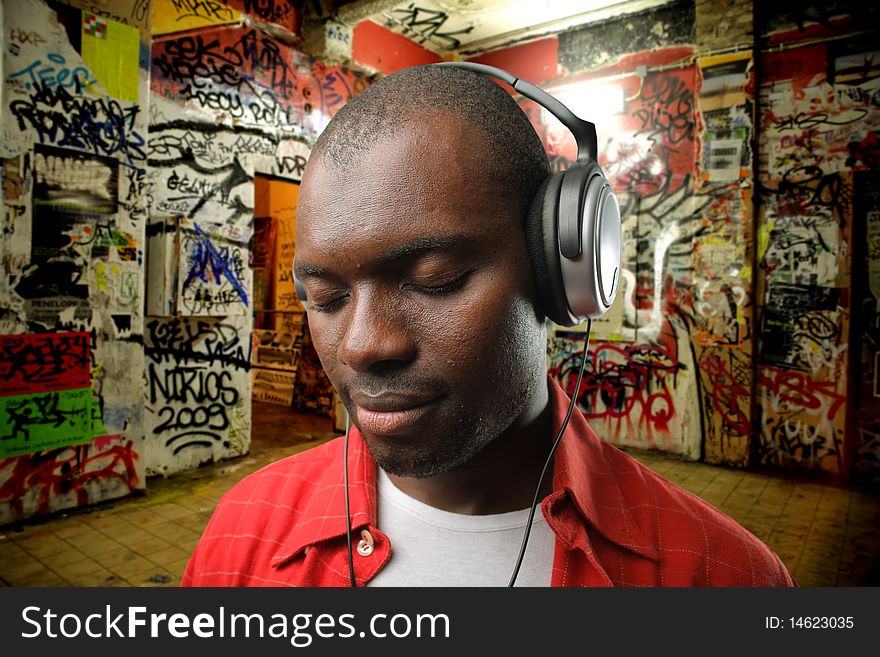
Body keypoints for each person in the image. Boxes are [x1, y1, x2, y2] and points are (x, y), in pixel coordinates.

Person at [181, 65, 795, 587]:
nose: (363, 345)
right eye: (326, 296)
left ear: (560, 270)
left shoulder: (723, 577)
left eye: (435, 279)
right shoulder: (240, 538)